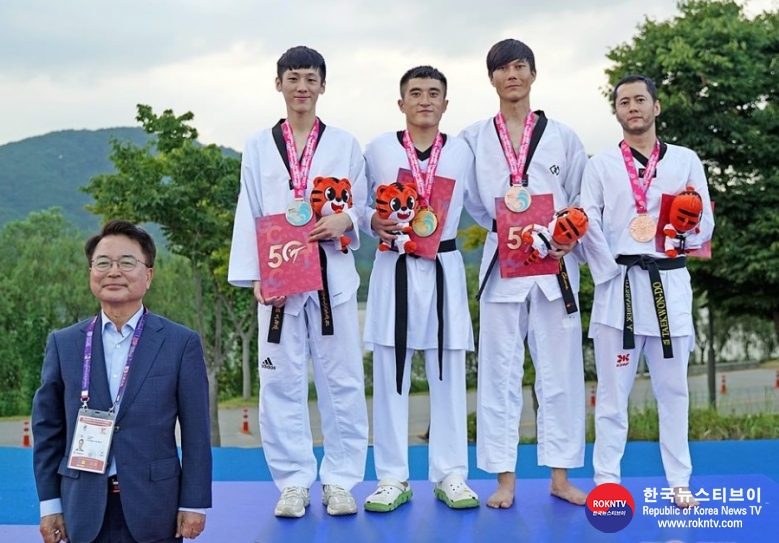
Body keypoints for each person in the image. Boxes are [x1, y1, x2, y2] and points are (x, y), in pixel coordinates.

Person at [228, 45, 369, 518]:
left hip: (331, 274)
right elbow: (248, 210)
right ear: (279, 84)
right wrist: (254, 276)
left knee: (342, 379)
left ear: (323, 86)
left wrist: (344, 219)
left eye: (310, 78)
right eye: (293, 78)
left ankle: (341, 479)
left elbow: (363, 205)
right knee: (280, 381)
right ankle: (292, 482)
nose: (302, 87)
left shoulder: (345, 143)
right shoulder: (256, 144)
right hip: (280, 275)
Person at [460, 38, 589, 508]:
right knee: (499, 374)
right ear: (491, 78)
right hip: (502, 266)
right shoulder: (473, 138)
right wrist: (503, 226)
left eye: (520, 67)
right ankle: (505, 481)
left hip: (554, 266)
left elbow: (579, 198)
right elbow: (472, 200)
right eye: (502, 68)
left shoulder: (564, 137)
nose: (511, 75)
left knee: (561, 375)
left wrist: (562, 233)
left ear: (533, 74)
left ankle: (560, 476)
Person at [32, 220, 212, 543]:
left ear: (148, 275)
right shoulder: (64, 344)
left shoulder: (179, 343)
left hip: (156, 508)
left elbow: (197, 431)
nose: (113, 271)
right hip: (82, 510)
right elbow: (48, 429)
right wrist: (50, 504)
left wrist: (193, 502)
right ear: (91, 273)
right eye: (103, 263)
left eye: (127, 262)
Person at [580, 74, 714, 507]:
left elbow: (705, 222)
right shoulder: (599, 165)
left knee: (674, 392)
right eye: (624, 102)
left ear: (656, 107)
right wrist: (607, 273)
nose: (632, 107)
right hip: (617, 288)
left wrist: (681, 234)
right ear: (616, 112)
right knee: (613, 394)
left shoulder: (685, 160)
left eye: (640, 100)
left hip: (668, 285)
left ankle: (680, 483)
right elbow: (589, 226)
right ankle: (606, 481)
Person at [361, 65, 479, 512]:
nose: (425, 100)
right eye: (416, 93)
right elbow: (356, 205)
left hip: (445, 265)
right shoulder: (377, 150)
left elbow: (485, 206)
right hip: (395, 264)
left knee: (448, 369)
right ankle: (391, 475)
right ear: (401, 103)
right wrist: (373, 222)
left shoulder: (462, 153)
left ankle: (451, 473)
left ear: (446, 104)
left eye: (434, 93)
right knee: (391, 368)